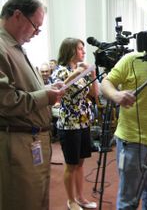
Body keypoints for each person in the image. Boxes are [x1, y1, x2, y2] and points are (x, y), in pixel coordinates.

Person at [0, 0, 64, 210]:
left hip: (30, 140)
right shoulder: (2, 47)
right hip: (16, 141)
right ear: (17, 15)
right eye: (35, 26)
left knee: (36, 199)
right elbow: (5, 101)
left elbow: (22, 89)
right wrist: (45, 96)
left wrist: (44, 90)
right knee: (22, 200)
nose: (36, 33)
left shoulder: (14, 46)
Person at [101, 51, 147, 210]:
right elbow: (106, 82)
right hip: (132, 142)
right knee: (129, 200)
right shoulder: (131, 59)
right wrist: (116, 95)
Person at [51, 38, 99, 210]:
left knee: (80, 163)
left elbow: (95, 95)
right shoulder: (60, 71)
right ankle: (70, 200)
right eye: (80, 49)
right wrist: (78, 72)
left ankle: (80, 197)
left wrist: (92, 75)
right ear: (70, 51)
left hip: (84, 122)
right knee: (71, 165)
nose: (83, 52)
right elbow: (58, 89)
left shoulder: (81, 70)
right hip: (68, 124)